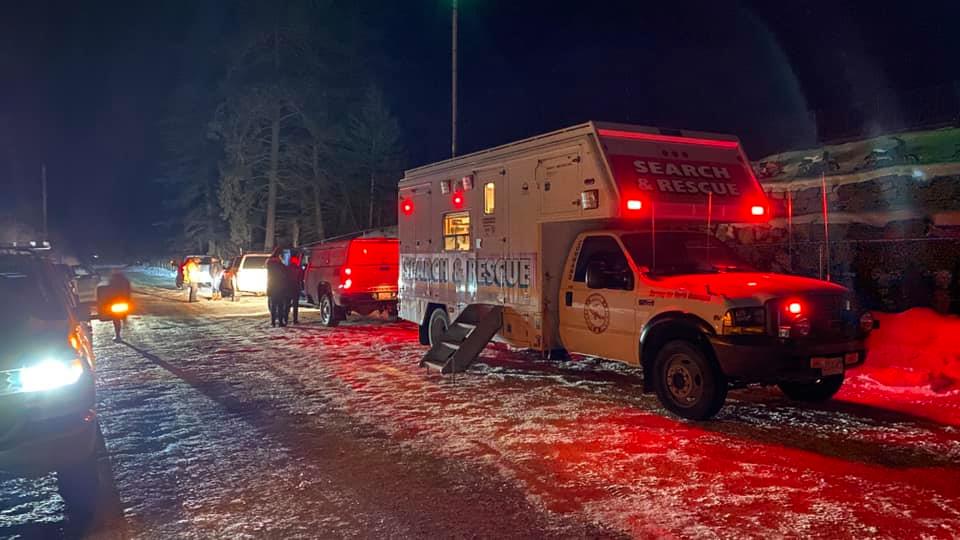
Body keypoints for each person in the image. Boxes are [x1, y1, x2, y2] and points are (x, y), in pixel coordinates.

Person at [99, 271, 131, 342]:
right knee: (117, 317)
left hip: (116, 304)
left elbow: (107, 293)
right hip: (122, 302)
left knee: (116, 319)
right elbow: (128, 293)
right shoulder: (125, 281)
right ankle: (124, 319)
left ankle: (118, 335)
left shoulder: (111, 281)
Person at [266, 248, 289, 327]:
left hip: (271, 285)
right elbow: (284, 274)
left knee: (273, 305)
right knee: (280, 305)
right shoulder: (279, 263)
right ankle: (280, 322)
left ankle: (273, 322)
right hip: (279, 286)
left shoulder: (269, 262)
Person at [287, 251, 305, 324]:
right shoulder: (298, 268)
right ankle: (295, 319)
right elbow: (301, 277)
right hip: (295, 287)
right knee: (295, 304)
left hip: (289, 287)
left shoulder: (287, 268)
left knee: (288, 303)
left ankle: (286, 318)